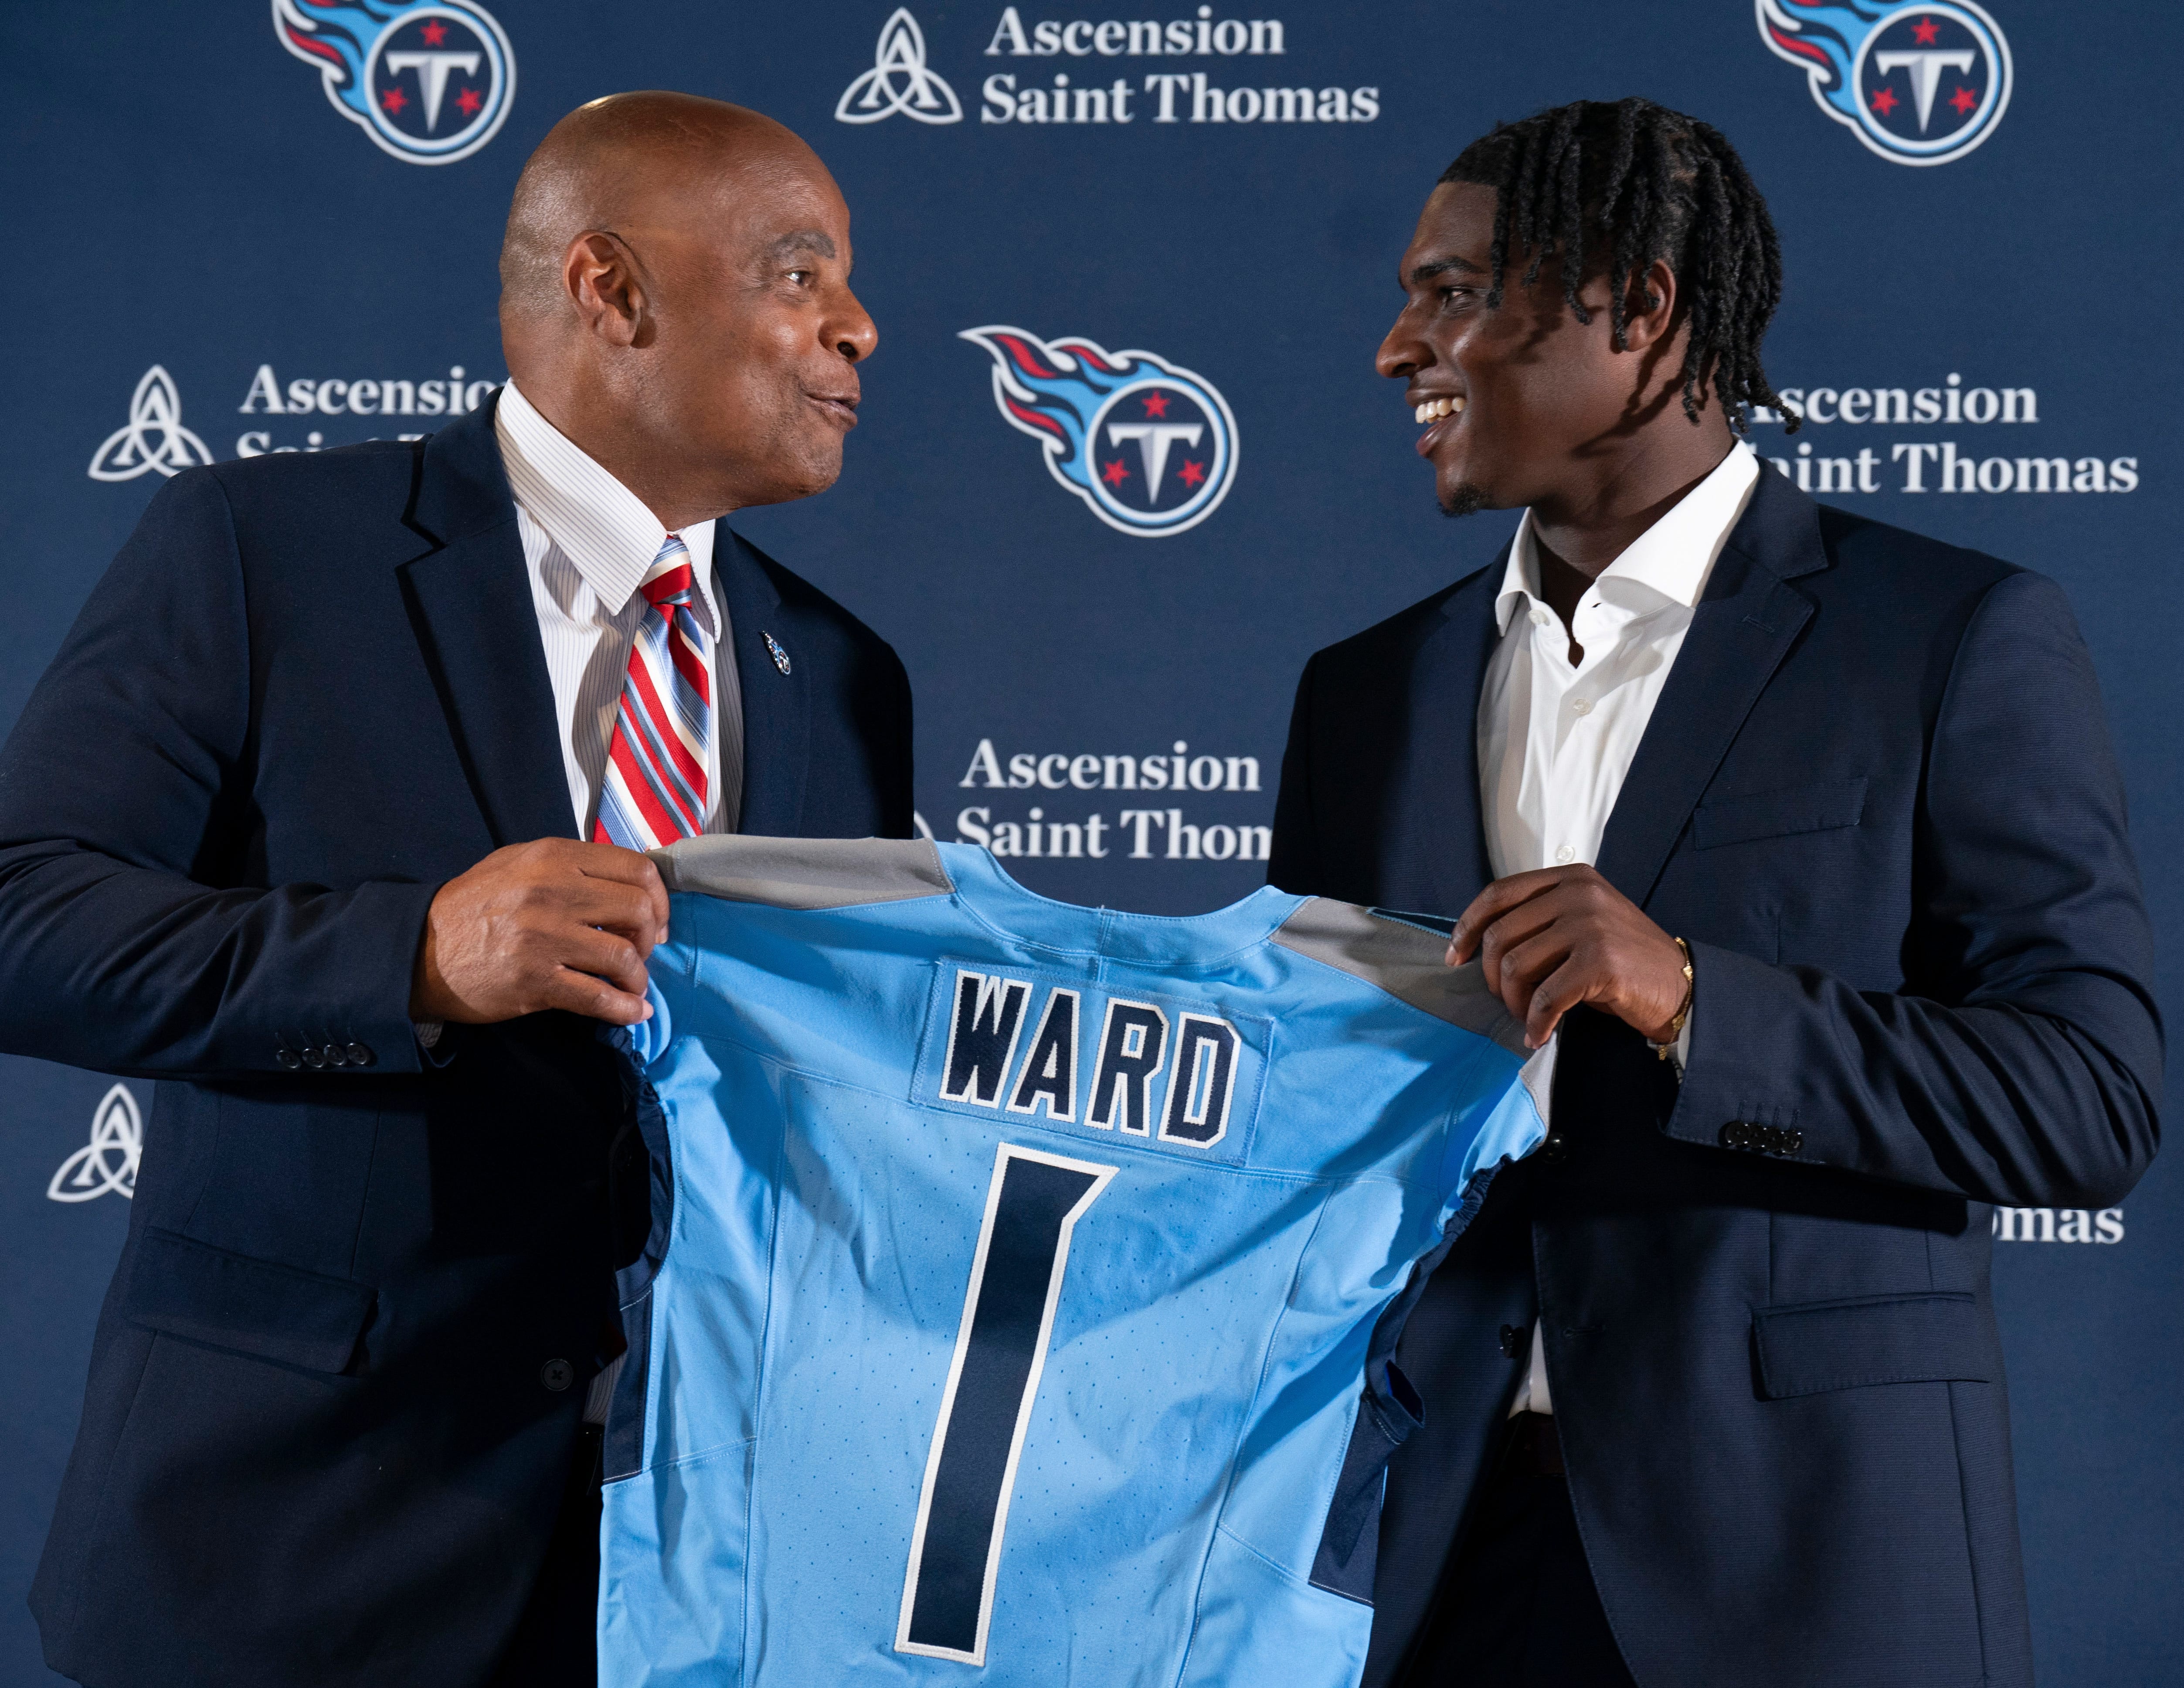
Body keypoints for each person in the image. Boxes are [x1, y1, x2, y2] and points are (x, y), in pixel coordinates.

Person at [0, 92, 907, 1688]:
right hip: (293, 1555)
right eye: (795, 272)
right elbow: (21, 915)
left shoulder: (839, 674)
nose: (856, 326)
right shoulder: (261, 548)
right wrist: (411, 951)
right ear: (613, 292)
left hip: (684, 1588)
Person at [1268, 98, 2160, 1688]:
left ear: (1639, 307)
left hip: (1808, 1568)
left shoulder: (1944, 637)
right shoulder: (1361, 692)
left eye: (1454, 292)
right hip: (1427, 1568)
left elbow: (2086, 1100)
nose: (1400, 349)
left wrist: (1693, 1001)